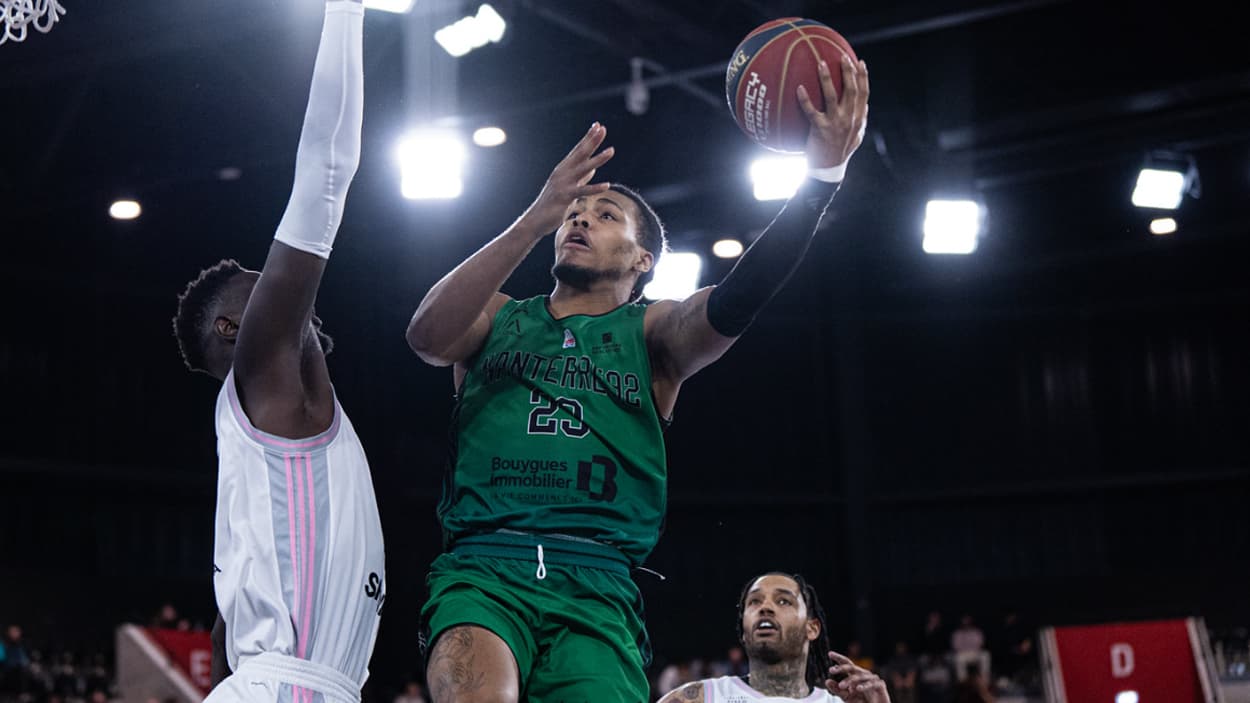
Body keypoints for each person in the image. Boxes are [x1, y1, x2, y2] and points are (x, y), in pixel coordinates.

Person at [406, 51, 869, 703]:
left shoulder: (653, 334)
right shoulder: (496, 315)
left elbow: (740, 298)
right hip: (485, 565)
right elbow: (425, 336)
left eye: (603, 214)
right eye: (574, 210)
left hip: (598, 584)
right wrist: (531, 218)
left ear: (642, 259)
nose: (579, 218)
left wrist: (821, 177)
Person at [171, 1, 384, 701]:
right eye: (267, 292)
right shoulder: (264, 375)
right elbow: (326, 171)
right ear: (238, 329)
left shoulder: (281, 419)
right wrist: (346, 11)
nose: (297, 296)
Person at [658, 572, 889, 702]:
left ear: (812, 628)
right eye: (754, 601)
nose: (765, 607)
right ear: (744, 629)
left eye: (783, 601)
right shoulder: (699, 699)